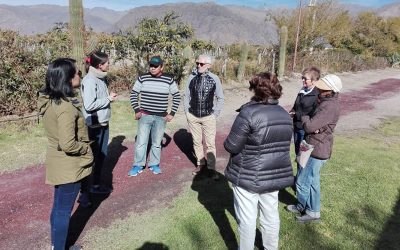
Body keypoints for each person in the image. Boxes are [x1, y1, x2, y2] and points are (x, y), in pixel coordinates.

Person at [224, 72, 293, 250]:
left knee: (247, 219)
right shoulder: (284, 114)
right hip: (273, 175)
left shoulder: (248, 113)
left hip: (247, 175)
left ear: (254, 89)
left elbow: (231, 146)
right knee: (270, 214)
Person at [38, 58, 93, 250]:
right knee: (63, 210)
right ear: (68, 78)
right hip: (69, 165)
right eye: (77, 73)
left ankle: (56, 245)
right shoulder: (66, 108)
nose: (80, 75)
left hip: (57, 161)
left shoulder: (50, 100)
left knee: (58, 207)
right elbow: (68, 143)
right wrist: (86, 148)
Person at [286, 74, 342, 223]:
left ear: (330, 90)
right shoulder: (327, 102)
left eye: (322, 88)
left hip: (317, 148)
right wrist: (313, 124)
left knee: (302, 182)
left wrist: (304, 117)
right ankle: (311, 210)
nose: (318, 89)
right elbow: (315, 126)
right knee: (313, 181)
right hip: (315, 145)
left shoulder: (329, 106)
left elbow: (310, 126)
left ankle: (308, 210)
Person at [128, 55, 181, 176]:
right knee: (141, 142)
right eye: (151, 65)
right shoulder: (143, 78)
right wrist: (137, 110)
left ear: (161, 67)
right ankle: (138, 165)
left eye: (155, 66)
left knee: (157, 142)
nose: (152, 68)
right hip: (145, 116)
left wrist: (172, 113)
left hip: (161, 117)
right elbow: (133, 94)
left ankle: (154, 164)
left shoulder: (168, 79)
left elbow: (177, 96)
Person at [80, 51, 117, 195]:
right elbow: (89, 105)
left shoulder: (100, 78)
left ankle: (95, 185)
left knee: (101, 155)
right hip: (94, 125)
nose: (109, 64)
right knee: (93, 157)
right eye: (107, 62)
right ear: (100, 65)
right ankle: (86, 189)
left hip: (102, 123)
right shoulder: (90, 80)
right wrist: (108, 99)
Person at [184, 54, 224, 180]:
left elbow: (220, 98)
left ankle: (211, 169)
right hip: (193, 116)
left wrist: (215, 114)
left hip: (208, 116)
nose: (198, 66)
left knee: (210, 144)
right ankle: (200, 164)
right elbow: (186, 95)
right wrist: (187, 112)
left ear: (209, 66)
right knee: (197, 142)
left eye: (201, 64)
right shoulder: (191, 78)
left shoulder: (214, 78)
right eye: (197, 63)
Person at [289, 67, 320, 156]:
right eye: (302, 78)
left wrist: (296, 114)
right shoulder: (302, 91)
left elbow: (315, 114)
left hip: (305, 130)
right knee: (297, 155)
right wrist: (290, 113)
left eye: (305, 79)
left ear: (313, 81)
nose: (303, 80)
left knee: (303, 157)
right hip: (296, 127)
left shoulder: (317, 95)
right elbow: (295, 107)